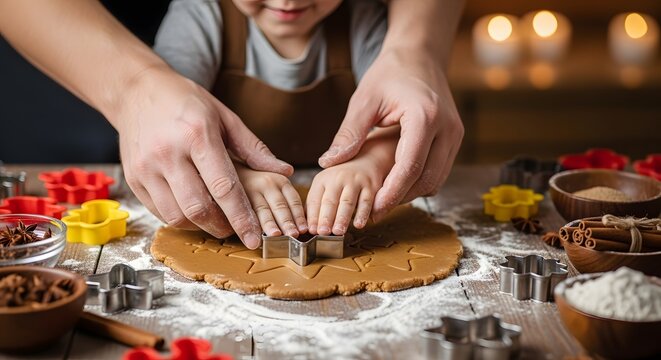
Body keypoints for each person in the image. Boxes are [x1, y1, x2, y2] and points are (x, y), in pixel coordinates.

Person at [0, 0, 464, 249]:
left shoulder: (364, 16)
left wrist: (366, 163)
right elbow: (171, 123)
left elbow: (396, 122)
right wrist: (233, 178)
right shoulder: (201, 13)